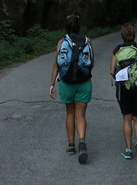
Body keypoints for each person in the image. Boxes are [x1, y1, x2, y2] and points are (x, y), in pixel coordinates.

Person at [49, 14, 93, 164]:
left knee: (70, 113)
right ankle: (82, 141)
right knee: (81, 115)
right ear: (79, 26)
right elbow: (91, 64)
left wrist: (52, 84)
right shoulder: (88, 41)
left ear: (66, 27)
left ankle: (71, 145)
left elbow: (56, 65)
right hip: (84, 82)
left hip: (66, 82)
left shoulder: (61, 42)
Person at [110, 23, 137, 162]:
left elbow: (111, 71)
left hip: (123, 90)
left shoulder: (117, 50)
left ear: (122, 36)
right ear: (134, 35)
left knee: (127, 118)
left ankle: (128, 150)